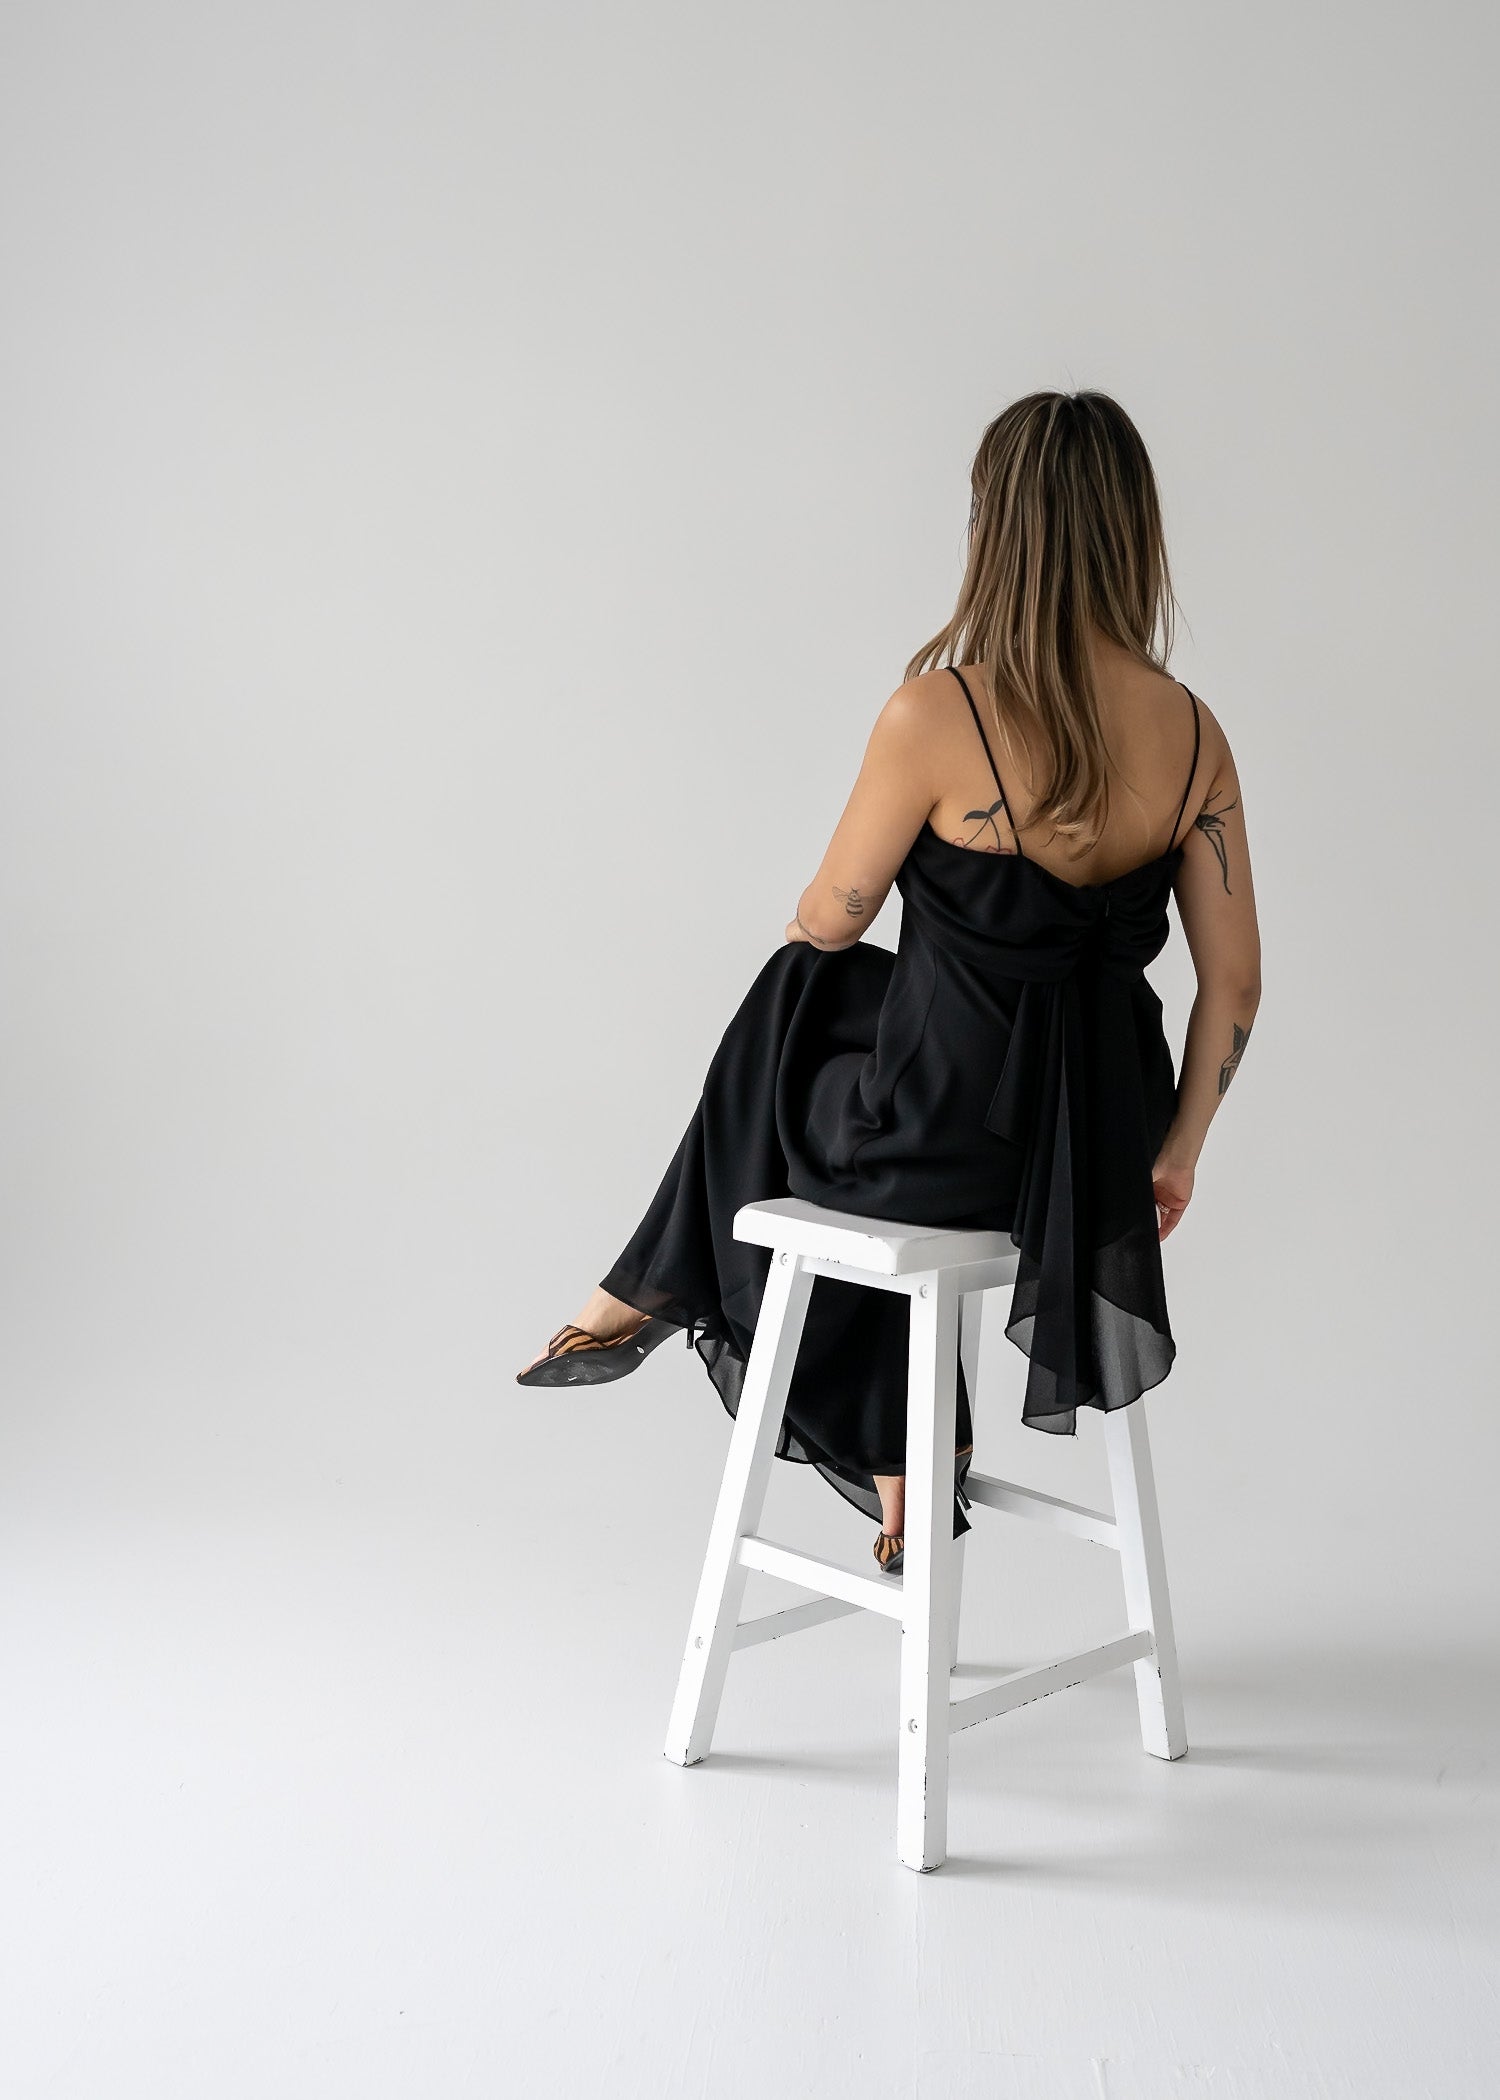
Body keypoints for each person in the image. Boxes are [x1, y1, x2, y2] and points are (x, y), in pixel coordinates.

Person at [517, 389, 1262, 1579]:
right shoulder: (1194, 733)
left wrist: (832, 911)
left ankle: (684, 1305)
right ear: (1135, 529)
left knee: (801, 996)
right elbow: (1236, 984)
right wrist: (1176, 1153)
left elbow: (834, 913)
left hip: (942, 1142)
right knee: (856, 1044)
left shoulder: (939, 711)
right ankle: (891, 1447)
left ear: (994, 527)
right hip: (1097, 1145)